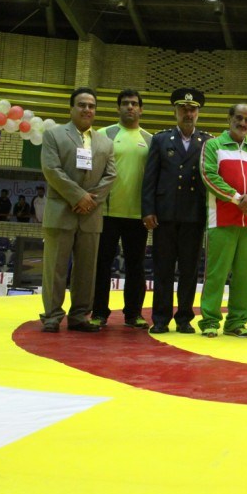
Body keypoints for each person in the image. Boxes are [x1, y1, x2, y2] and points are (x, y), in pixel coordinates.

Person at [39, 87, 116, 333]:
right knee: (55, 269)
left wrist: (90, 201)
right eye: (82, 105)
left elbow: (111, 175)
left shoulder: (105, 142)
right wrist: (78, 196)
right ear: (71, 108)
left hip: (91, 214)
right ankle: (52, 316)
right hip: (61, 211)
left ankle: (80, 316)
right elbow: (52, 170)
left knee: (86, 270)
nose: (87, 109)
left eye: (91, 106)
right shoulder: (53, 135)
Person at [142, 88, 211, 335]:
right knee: (163, 269)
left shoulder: (207, 142)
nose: (188, 113)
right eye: (183, 109)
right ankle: (160, 318)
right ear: (175, 112)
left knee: (189, 271)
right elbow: (150, 178)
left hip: (194, 216)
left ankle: (184, 318)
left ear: (198, 113)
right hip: (165, 215)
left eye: (192, 110)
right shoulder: (161, 140)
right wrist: (148, 209)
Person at [199, 103, 247, 338]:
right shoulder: (213, 146)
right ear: (229, 119)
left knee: (244, 276)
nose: (243, 123)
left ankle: (236, 323)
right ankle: (210, 321)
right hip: (221, 220)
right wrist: (238, 198)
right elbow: (208, 175)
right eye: (239, 118)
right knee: (216, 274)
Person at [92, 89, 152, 330]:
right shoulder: (103, 134)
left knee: (136, 267)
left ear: (141, 109)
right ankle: (98, 313)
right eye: (125, 103)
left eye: (134, 103)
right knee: (102, 265)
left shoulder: (149, 139)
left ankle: (133, 314)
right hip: (106, 213)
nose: (130, 107)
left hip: (137, 215)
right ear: (117, 108)